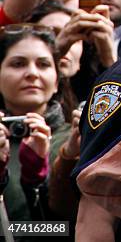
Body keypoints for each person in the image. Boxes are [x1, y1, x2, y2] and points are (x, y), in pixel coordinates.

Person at [0, 25, 71, 223]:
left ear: (57, 80)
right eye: (18, 63)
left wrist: (37, 180)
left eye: (43, 64)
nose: (32, 73)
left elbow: (66, 227)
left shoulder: (74, 142)